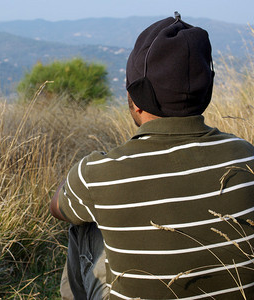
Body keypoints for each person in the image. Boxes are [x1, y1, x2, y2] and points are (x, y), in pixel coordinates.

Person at [50, 12, 254, 299]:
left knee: (83, 227)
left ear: (135, 99)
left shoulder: (100, 173)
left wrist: (83, 174)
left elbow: (57, 207)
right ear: (207, 89)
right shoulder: (246, 156)